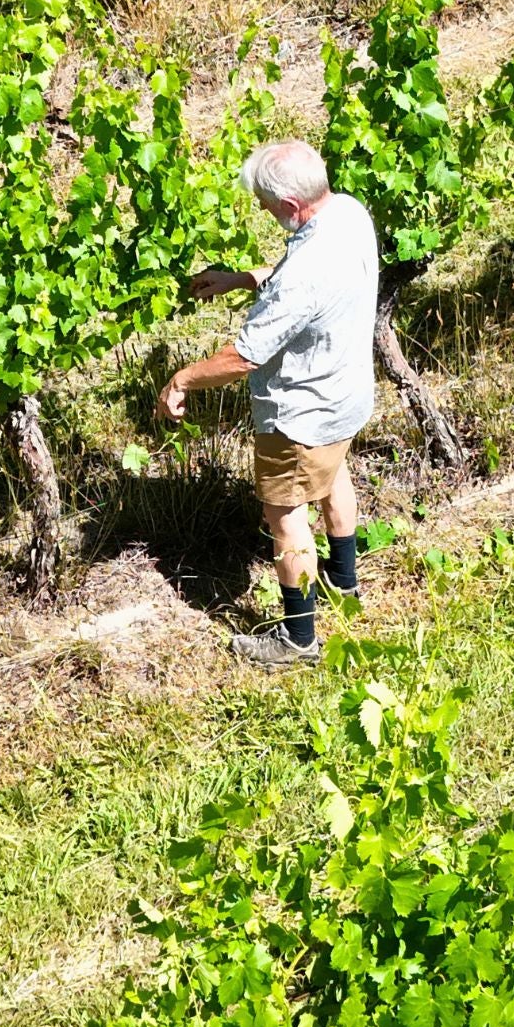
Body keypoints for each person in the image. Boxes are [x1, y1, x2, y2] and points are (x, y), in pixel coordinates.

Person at [158, 138, 380, 665]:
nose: (261, 209)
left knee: (286, 516)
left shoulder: (303, 275)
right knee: (335, 479)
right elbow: (306, 275)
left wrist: (182, 380)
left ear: (289, 206)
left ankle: (298, 638)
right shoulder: (348, 212)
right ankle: (344, 586)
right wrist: (242, 278)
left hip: (301, 413)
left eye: (263, 202)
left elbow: (245, 356)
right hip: (346, 394)